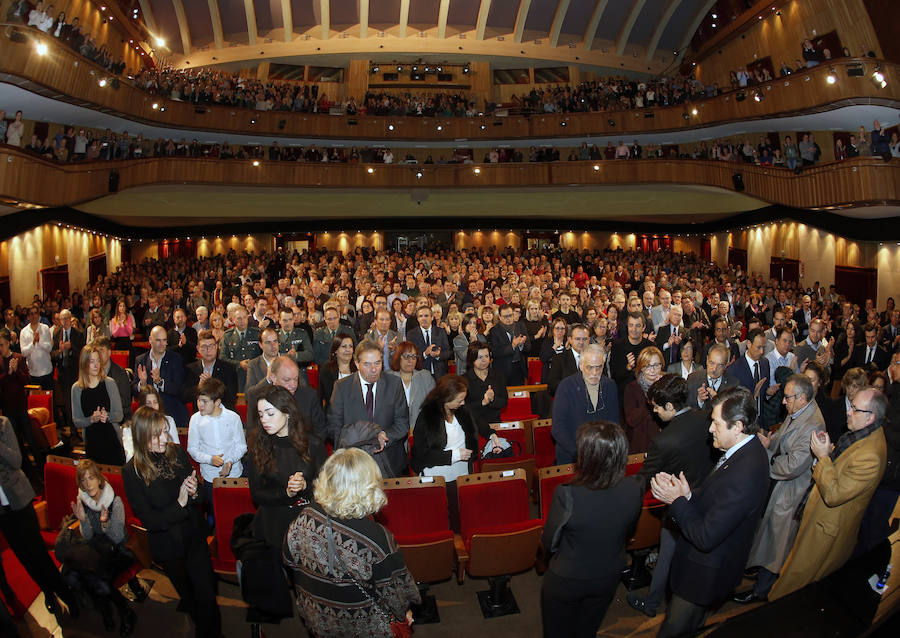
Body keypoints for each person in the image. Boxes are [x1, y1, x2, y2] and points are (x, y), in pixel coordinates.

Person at [650, 387, 770, 638]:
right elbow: (720, 502)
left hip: (704, 574)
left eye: (716, 423)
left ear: (737, 426)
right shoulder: (746, 451)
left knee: (675, 630)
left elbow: (706, 536)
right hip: (707, 568)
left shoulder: (746, 472)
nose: (710, 429)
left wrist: (678, 501)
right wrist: (690, 495)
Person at [283, 448, 420, 637]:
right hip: (364, 627)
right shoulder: (377, 539)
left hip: (318, 619)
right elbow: (398, 596)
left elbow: (290, 562)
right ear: (368, 485)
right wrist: (403, 613)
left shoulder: (305, 517)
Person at [769, 387, 888, 600]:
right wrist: (831, 453)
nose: (849, 412)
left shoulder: (871, 456)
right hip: (818, 521)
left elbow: (834, 494)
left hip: (826, 532)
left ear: (870, 417)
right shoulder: (863, 434)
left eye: (855, 409)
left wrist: (823, 457)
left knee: (795, 592)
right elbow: (843, 469)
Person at [123, 406, 221, 638]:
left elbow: (200, 499)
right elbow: (150, 521)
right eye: (155, 435)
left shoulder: (176, 452)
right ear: (141, 437)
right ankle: (201, 627)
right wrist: (178, 504)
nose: (163, 439)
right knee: (190, 596)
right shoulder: (131, 472)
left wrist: (195, 492)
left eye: (164, 432)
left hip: (194, 536)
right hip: (169, 546)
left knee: (206, 593)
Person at [541, 420, 642, 637]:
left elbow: (549, 542)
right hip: (609, 574)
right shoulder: (635, 487)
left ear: (586, 455)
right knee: (587, 630)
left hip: (567, 578)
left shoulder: (567, 493)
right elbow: (629, 531)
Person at [627, 375, 715, 618]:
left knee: (667, 555)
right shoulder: (705, 418)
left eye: (656, 407)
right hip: (708, 498)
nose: (652, 411)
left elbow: (642, 479)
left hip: (680, 506)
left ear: (669, 406)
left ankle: (653, 604)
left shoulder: (663, 440)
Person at [737, 374, 826, 603]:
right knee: (768, 535)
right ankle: (759, 569)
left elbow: (794, 465)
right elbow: (783, 438)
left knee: (777, 541)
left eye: (787, 398)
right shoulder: (799, 410)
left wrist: (765, 459)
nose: (783, 402)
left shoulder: (813, 424)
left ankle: (761, 590)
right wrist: (771, 442)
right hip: (780, 483)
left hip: (791, 489)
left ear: (802, 397)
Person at [0, 415, 79, 620]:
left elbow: (16, 460)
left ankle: (67, 596)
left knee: (39, 554)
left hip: (19, 502)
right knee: (24, 558)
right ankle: (48, 592)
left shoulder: (3, 424)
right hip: (2, 511)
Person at [411, 374, 501, 530]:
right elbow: (422, 454)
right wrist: (454, 455)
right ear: (446, 398)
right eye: (459, 400)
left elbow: (478, 421)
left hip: (461, 473)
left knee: (460, 516)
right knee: (440, 520)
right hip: (438, 475)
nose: (463, 403)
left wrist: (491, 434)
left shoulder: (461, 409)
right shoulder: (427, 416)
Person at [62, 459, 138, 635]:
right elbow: (88, 536)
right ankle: (107, 609)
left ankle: (123, 611)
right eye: (83, 480)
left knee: (97, 578)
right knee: (72, 573)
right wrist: (82, 519)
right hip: (97, 550)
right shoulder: (84, 501)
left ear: (99, 478)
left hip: (120, 550)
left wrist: (105, 523)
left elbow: (118, 537)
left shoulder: (114, 501)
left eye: (91, 478)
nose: (88, 484)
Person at [326, 340, 410, 477]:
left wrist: (386, 436)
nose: (373, 369)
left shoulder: (394, 384)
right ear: (357, 364)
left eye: (377, 363)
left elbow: (403, 423)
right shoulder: (342, 387)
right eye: (367, 364)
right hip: (355, 465)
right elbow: (333, 427)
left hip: (390, 463)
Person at [186, 378, 246, 525]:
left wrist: (229, 461)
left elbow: (241, 446)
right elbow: (192, 449)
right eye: (199, 400)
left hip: (234, 474)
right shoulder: (195, 419)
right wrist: (210, 459)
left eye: (204, 401)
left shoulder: (233, 418)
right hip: (210, 477)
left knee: (235, 514)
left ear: (217, 402)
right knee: (216, 514)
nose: (199, 405)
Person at [552, 344, 619, 464]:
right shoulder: (566, 386)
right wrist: (578, 453)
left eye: (599, 367)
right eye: (590, 367)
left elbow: (613, 424)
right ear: (581, 365)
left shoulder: (610, 385)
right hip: (572, 456)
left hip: (602, 455)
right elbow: (558, 428)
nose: (595, 373)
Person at [72, 344, 125, 465]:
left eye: (98, 361)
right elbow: (77, 421)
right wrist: (90, 419)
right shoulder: (76, 388)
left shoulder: (109, 383)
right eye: (92, 361)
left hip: (112, 440)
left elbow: (119, 415)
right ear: (84, 364)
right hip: (92, 443)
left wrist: (108, 416)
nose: (96, 365)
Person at [134, 325, 188, 427]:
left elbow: (179, 389)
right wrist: (143, 383)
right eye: (158, 340)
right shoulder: (141, 360)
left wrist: (160, 382)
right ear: (150, 340)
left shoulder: (175, 359)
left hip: (171, 413)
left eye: (164, 340)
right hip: (148, 415)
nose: (162, 344)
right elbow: (134, 391)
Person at [183, 329, 239, 410]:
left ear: (216, 347)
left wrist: (212, 385)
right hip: (200, 415)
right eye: (204, 347)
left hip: (222, 414)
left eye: (211, 346)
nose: (208, 350)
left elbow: (231, 397)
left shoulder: (229, 368)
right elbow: (184, 396)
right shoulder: (190, 369)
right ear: (198, 348)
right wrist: (199, 386)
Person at [623, 346, 665, 453]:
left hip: (663, 442)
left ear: (661, 366)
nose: (652, 370)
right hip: (640, 445)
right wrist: (651, 399)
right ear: (641, 367)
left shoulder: (667, 386)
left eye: (656, 365)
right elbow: (631, 420)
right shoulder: (632, 388)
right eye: (647, 366)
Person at [386, 341, 434, 432]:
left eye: (414, 357)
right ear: (398, 357)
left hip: (421, 430)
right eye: (406, 356)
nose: (410, 360)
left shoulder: (425, 376)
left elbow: (433, 406)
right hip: (394, 431)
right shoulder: (388, 378)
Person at [51, 309, 85, 434]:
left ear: (70, 319)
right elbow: (52, 354)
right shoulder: (56, 334)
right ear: (59, 320)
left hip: (75, 372)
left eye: (66, 318)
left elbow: (82, 354)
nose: (64, 321)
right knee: (67, 402)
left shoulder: (78, 334)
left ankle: (80, 427)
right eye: (62, 319)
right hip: (62, 372)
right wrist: (60, 351)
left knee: (77, 401)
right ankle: (72, 430)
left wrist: (71, 349)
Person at [464, 341, 509, 431]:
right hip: (473, 426)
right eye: (480, 357)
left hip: (495, 423)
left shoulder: (497, 376)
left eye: (486, 356)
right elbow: (463, 407)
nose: (484, 360)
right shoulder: (464, 379)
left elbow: (504, 402)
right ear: (472, 359)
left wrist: (492, 399)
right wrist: (483, 402)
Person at [489, 303, 531, 386]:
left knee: (519, 395)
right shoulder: (494, 331)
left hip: (519, 368)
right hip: (502, 370)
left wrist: (521, 345)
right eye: (505, 316)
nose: (508, 319)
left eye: (510, 315)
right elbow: (494, 352)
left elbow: (529, 347)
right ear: (500, 317)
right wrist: (512, 346)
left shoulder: (520, 326)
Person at [407, 305, 452, 380]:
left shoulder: (440, 332)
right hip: (420, 375)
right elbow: (410, 356)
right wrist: (425, 354)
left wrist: (438, 355)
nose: (423, 318)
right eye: (420, 316)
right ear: (417, 319)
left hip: (439, 375)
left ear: (432, 317)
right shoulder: (411, 334)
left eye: (426, 316)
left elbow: (448, 352)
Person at [316, 333, 357, 412]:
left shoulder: (358, 368)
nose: (348, 350)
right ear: (335, 350)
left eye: (350, 346)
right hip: (334, 413)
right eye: (344, 346)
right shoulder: (327, 369)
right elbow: (320, 397)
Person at [547, 324, 590, 396]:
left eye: (584, 339)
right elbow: (552, 385)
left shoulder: (595, 359)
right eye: (578, 339)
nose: (581, 342)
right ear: (570, 339)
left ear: (588, 340)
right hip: (568, 399)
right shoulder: (559, 359)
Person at [20, 306, 53, 390]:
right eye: (31, 314)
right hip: (33, 373)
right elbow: (23, 352)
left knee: (48, 399)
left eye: (36, 313)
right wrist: (33, 343)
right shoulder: (24, 332)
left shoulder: (45, 328)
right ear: (28, 317)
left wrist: (39, 341)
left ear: (39, 315)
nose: (34, 316)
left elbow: (49, 348)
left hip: (47, 371)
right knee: (36, 401)